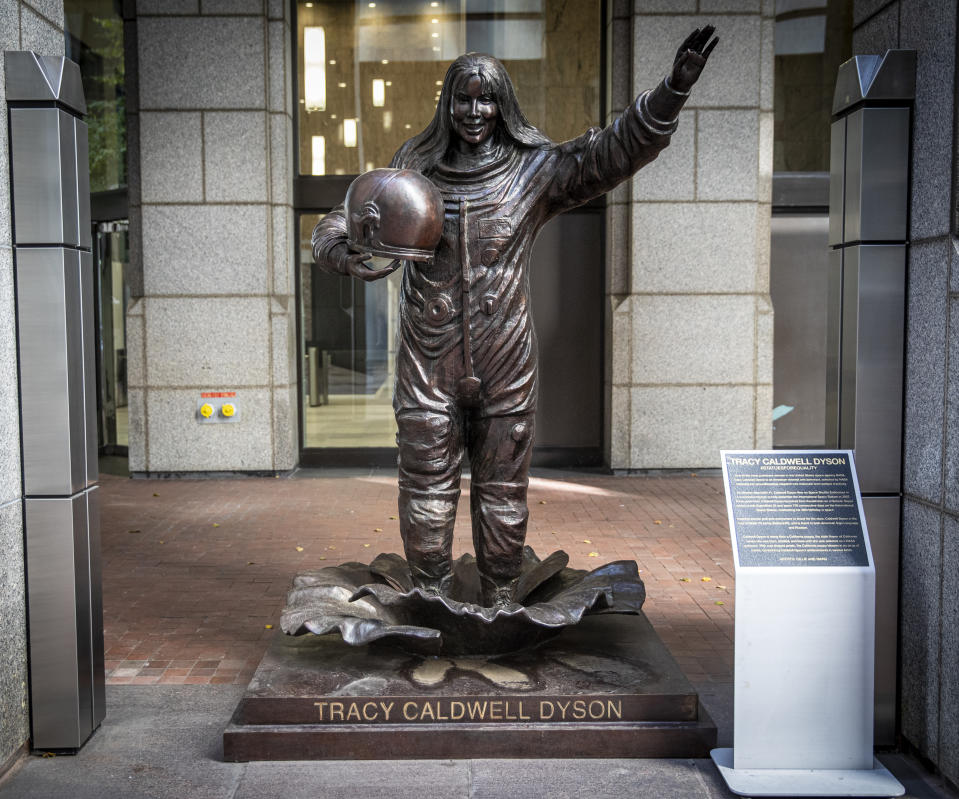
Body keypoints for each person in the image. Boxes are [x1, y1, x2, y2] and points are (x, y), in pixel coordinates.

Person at [312, 28, 718, 607]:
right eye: (462, 98)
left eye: (486, 99)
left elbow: (609, 152)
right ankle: (429, 598)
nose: (474, 111)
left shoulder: (534, 171)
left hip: (507, 363)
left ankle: (502, 602)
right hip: (428, 362)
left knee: (503, 494)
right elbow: (348, 216)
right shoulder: (415, 166)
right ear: (445, 104)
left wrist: (671, 92)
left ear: (503, 106)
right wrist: (339, 250)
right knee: (425, 490)